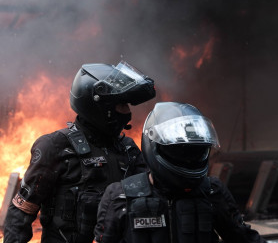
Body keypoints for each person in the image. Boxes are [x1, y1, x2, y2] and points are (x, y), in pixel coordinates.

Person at [3, 61, 156, 243]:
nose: (128, 112)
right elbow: (22, 211)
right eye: (121, 105)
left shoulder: (128, 148)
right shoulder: (55, 146)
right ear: (100, 107)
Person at [94, 102, 266, 243]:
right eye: (181, 151)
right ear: (153, 147)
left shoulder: (212, 191)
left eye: (195, 151)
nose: (189, 158)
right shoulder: (121, 196)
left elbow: (245, 239)